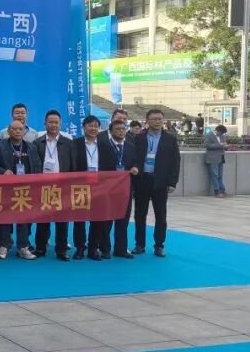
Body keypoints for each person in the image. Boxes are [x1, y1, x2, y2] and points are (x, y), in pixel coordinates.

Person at [133, 109, 180, 258]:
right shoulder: (139, 138)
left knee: (161, 215)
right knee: (140, 214)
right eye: (154, 119)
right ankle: (139, 244)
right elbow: (133, 157)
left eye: (160, 119)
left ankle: (159, 245)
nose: (157, 121)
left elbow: (175, 161)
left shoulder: (170, 139)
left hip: (160, 180)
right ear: (147, 120)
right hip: (142, 179)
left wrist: (172, 182)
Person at [71, 115, 115, 261]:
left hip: (99, 187)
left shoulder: (105, 145)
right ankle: (79, 248)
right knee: (79, 219)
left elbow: (110, 167)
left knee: (97, 219)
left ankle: (93, 249)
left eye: (96, 126)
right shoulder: (75, 144)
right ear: (84, 127)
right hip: (80, 186)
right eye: (90, 125)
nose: (93, 128)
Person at [0, 119, 38, 260]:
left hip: (25, 189)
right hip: (7, 188)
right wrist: (3, 171)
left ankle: (23, 247)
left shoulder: (31, 147)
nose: (18, 131)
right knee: (5, 217)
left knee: (23, 219)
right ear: (8, 131)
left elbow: (37, 165)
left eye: (20, 129)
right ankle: (4, 246)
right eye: (14, 129)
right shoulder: (0, 146)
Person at [33, 110, 73, 261]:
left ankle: (61, 249)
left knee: (62, 220)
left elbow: (73, 165)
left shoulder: (68, 143)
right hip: (42, 186)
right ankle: (40, 248)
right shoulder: (37, 143)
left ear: (60, 124)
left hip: (62, 187)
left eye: (56, 122)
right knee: (42, 219)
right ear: (45, 123)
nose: (53, 125)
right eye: (50, 122)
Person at [104, 120, 139, 259]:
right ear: (111, 131)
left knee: (123, 219)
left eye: (123, 129)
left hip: (125, 188)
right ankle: (105, 248)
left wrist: (136, 167)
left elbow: (137, 161)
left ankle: (121, 249)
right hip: (108, 188)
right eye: (117, 129)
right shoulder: (104, 146)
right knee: (106, 219)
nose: (120, 131)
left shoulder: (131, 147)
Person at [204, 124, 228, 198]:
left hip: (221, 157)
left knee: (220, 175)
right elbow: (207, 145)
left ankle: (222, 191)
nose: (222, 135)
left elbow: (223, 145)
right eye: (221, 133)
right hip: (212, 158)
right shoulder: (209, 135)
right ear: (218, 131)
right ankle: (217, 191)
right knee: (215, 175)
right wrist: (220, 145)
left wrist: (225, 147)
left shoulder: (222, 136)